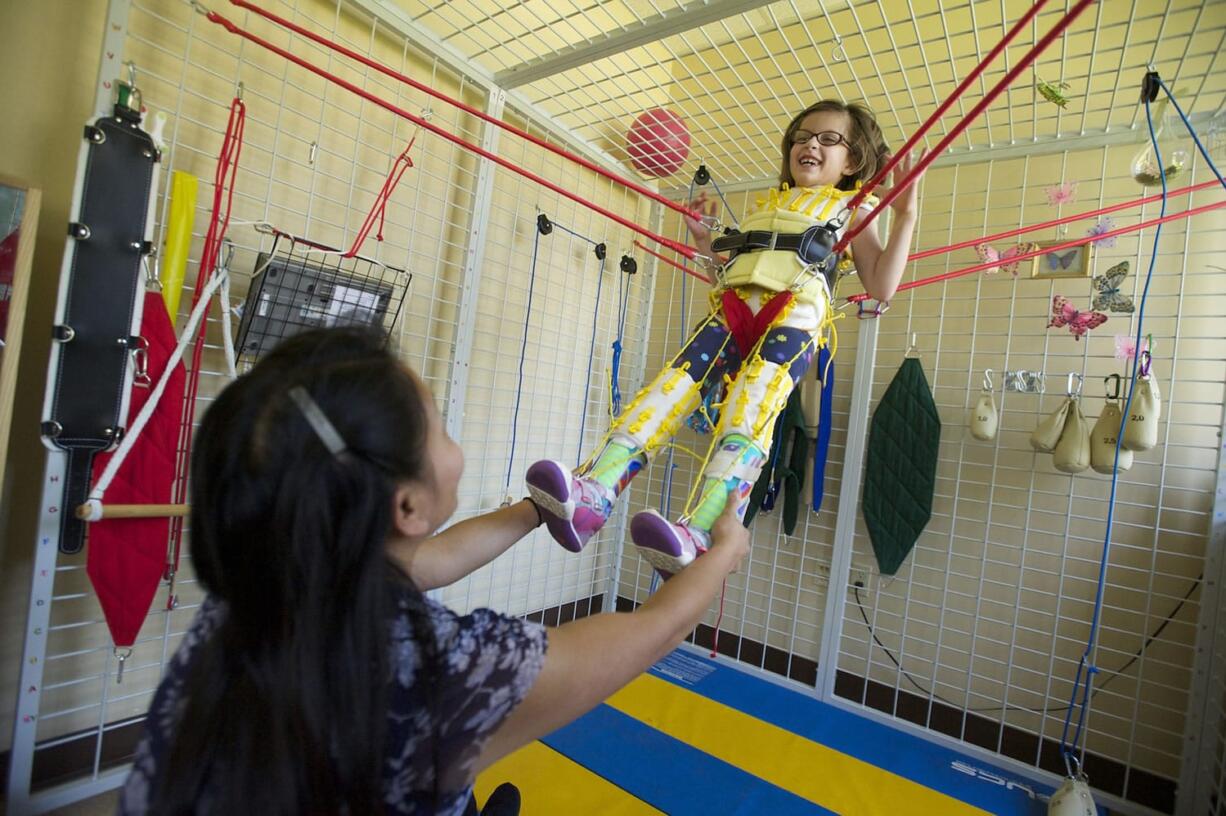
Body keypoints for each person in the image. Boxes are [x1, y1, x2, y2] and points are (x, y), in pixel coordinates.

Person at [117, 326, 749, 815]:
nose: (455, 445)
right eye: (441, 427)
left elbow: (434, 559)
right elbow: (653, 631)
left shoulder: (265, 586)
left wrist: (539, 510)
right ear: (408, 505)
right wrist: (723, 550)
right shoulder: (440, 665)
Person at [526, 100, 924, 578]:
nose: (809, 144)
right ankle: (596, 492)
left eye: (827, 138)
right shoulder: (768, 206)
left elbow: (880, 285)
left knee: (748, 411)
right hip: (732, 309)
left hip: (793, 316)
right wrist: (701, 241)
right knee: (667, 390)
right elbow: (725, 269)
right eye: (801, 135)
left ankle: (700, 531)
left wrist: (906, 215)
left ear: (854, 161)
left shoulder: (853, 210)